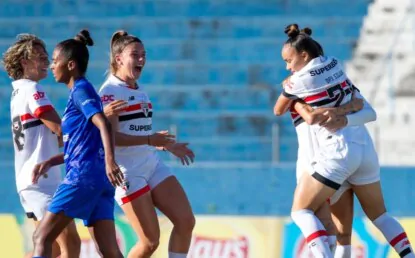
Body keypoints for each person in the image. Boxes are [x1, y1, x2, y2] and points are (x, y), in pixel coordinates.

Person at [274, 24, 414, 257]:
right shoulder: (336, 68)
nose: (288, 67)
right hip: (363, 148)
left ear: (303, 55)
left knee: (302, 213)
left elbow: (280, 109)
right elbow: (367, 110)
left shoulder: (297, 82)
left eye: (289, 61)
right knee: (375, 218)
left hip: (333, 152)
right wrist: (344, 116)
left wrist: (293, 97)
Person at [98, 30, 195, 258]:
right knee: (150, 241)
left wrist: (164, 145)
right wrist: (150, 139)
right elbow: (109, 137)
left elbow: (134, 129)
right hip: (127, 172)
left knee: (185, 221)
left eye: (144, 54)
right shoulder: (110, 91)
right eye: (135, 55)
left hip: (150, 163)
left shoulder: (139, 90)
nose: (141, 59)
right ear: (119, 58)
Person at [31, 29, 123, 258]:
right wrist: (52, 161)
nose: (52, 66)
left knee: (41, 237)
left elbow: (103, 123)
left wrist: (111, 161)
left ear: (70, 65)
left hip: (83, 177)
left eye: (55, 61)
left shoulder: (81, 90)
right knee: (110, 252)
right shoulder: (80, 91)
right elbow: (84, 142)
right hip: (99, 179)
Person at [3, 34, 81, 258]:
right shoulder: (33, 90)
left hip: (31, 180)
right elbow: (59, 128)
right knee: (70, 244)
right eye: (40, 57)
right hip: (42, 182)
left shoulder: (17, 92)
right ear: (24, 62)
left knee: (50, 247)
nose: (46, 62)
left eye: (47, 57)